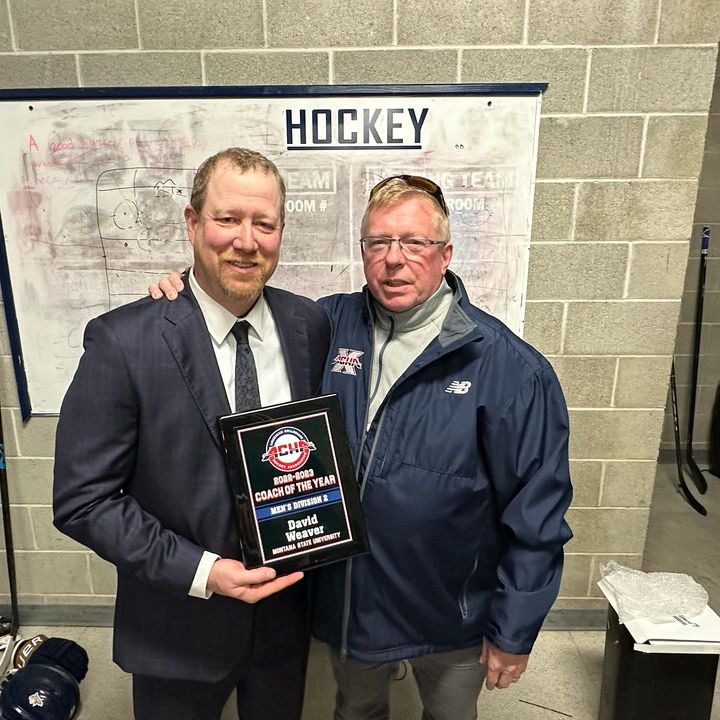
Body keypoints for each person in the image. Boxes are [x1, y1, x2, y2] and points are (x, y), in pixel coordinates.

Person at [151, 174, 573, 720]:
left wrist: (515, 629)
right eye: (378, 243)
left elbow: (537, 513)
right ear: (364, 252)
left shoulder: (510, 369)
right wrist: (181, 292)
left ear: (445, 254)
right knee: (356, 710)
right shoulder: (326, 324)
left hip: (450, 614)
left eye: (414, 243)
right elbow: (236, 302)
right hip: (349, 605)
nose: (394, 260)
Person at [53, 147, 331, 720]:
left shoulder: (310, 324)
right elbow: (84, 501)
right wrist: (204, 572)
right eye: (227, 219)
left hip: (284, 621)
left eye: (264, 223)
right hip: (177, 627)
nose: (246, 241)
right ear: (192, 222)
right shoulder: (124, 341)